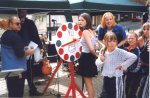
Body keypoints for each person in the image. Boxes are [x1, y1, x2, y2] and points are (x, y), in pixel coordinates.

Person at [95, 32, 137, 98]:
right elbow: (97, 64)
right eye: (109, 41)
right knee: (105, 95)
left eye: (114, 41)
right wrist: (101, 60)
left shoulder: (119, 52)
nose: (112, 43)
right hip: (106, 78)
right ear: (105, 42)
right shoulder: (103, 51)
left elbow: (133, 57)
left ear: (117, 42)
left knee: (117, 95)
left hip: (116, 79)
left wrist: (123, 65)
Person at [1, 16, 34, 97]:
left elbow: (11, 50)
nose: (20, 25)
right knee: (18, 94)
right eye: (17, 23)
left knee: (12, 94)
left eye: (20, 23)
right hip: (17, 71)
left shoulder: (4, 35)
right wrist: (30, 51)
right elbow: (20, 54)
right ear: (10, 24)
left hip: (8, 71)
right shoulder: (15, 37)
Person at [17, 9, 44, 96]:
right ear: (18, 12)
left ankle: (32, 90)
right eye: (22, 12)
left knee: (29, 71)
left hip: (29, 50)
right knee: (20, 72)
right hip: (18, 50)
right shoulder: (15, 22)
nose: (23, 14)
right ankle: (18, 90)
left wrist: (41, 47)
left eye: (25, 12)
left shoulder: (30, 22)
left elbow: (35, 35)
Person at [77, 13, 98, 98]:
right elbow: (94, 44)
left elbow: (91, 48)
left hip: (86, 57)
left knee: (88, 82)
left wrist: (97, 56)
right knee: (89, 81)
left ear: (87, 21)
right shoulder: (92, 31)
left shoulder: (85, 31)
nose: (80, 22)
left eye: (82, 20)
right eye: (79, 20)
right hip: (90, 58)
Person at [123, 32, 142, 98]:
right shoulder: (126, 49)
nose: (130, 40)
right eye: (129, 38)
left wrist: (127, 70)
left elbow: (138, 65)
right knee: (126, 92)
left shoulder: (137, 50)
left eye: (132, 38)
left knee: (131, 94)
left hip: (136, 75)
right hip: (128, 75)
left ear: (136, 39)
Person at [138, 22, 149, 98]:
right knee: (142, 89)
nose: (146, 31)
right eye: (144, 29)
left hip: (148, 69)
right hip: (142, 68)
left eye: (148, 29)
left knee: (143, 90)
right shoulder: (141, 39)